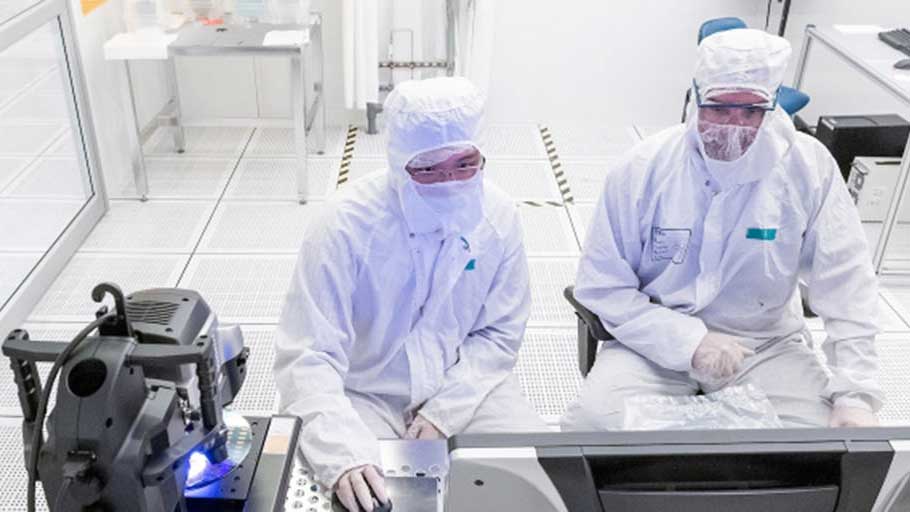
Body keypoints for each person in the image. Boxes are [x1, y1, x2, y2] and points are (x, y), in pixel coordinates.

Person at [561, 28, 883, 432]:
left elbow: (847, 284)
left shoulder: (807, 168)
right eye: (718, 108)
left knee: (818, 442)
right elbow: (602, 286)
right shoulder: (643, 168)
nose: (733, 124)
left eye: (749, 112)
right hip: (653, 341)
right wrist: (687, 341)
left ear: (771, 106)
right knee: (594, 427)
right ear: (695, 98)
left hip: (765, 345)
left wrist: (855, 395)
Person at [274, 76, 546, 512]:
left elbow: (498, 334)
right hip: (367, 393)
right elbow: (309, 356)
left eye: (464, 164)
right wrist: (343, 455)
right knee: (362, 497)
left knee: (537, 480)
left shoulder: (498, 217)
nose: (450, 182)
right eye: (429, 170)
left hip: (467, 386)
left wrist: (445, 412)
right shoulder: (343, 228)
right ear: (400, 165)